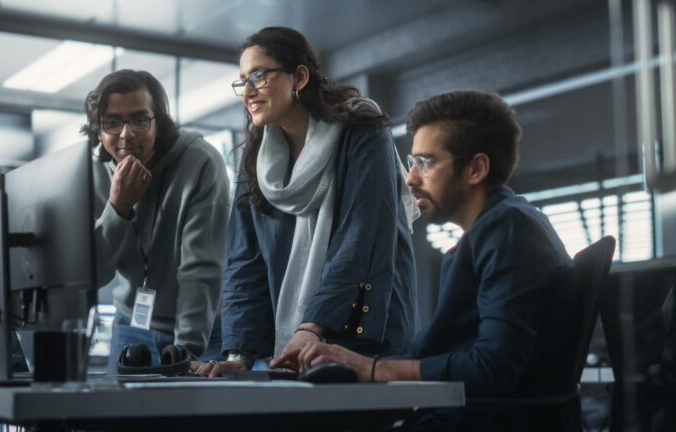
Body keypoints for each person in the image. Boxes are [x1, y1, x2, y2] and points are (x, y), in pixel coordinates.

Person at [273, 90, 578, 427]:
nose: (410, 179)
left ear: (476, 168)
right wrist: (350, 361)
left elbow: (493, 367)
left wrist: (372, 369)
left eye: (426, 162)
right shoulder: (487, 234)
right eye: (411, 161)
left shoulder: (508, 228)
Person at [195, 27, 419, 376]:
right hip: (296, 342)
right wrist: (239, 355)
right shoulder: (254, 157)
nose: (248, 91)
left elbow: (359, 240)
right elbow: (244, 261)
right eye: (243, 80)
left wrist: (312, 327)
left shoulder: (361, 131)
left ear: (299, 76)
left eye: (259, 75)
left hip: (361, 328)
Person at [82, 69, 230, 372]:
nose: (126, 134)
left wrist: (186, 351)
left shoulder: (201, 162)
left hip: (202, 330)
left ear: (159, 124)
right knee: (116, 419)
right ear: (98, 130)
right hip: (130, 323)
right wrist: (118, 207)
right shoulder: (94, 172)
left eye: (139, 120)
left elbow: (199, 267)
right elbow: (93, 274)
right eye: (111, 122)